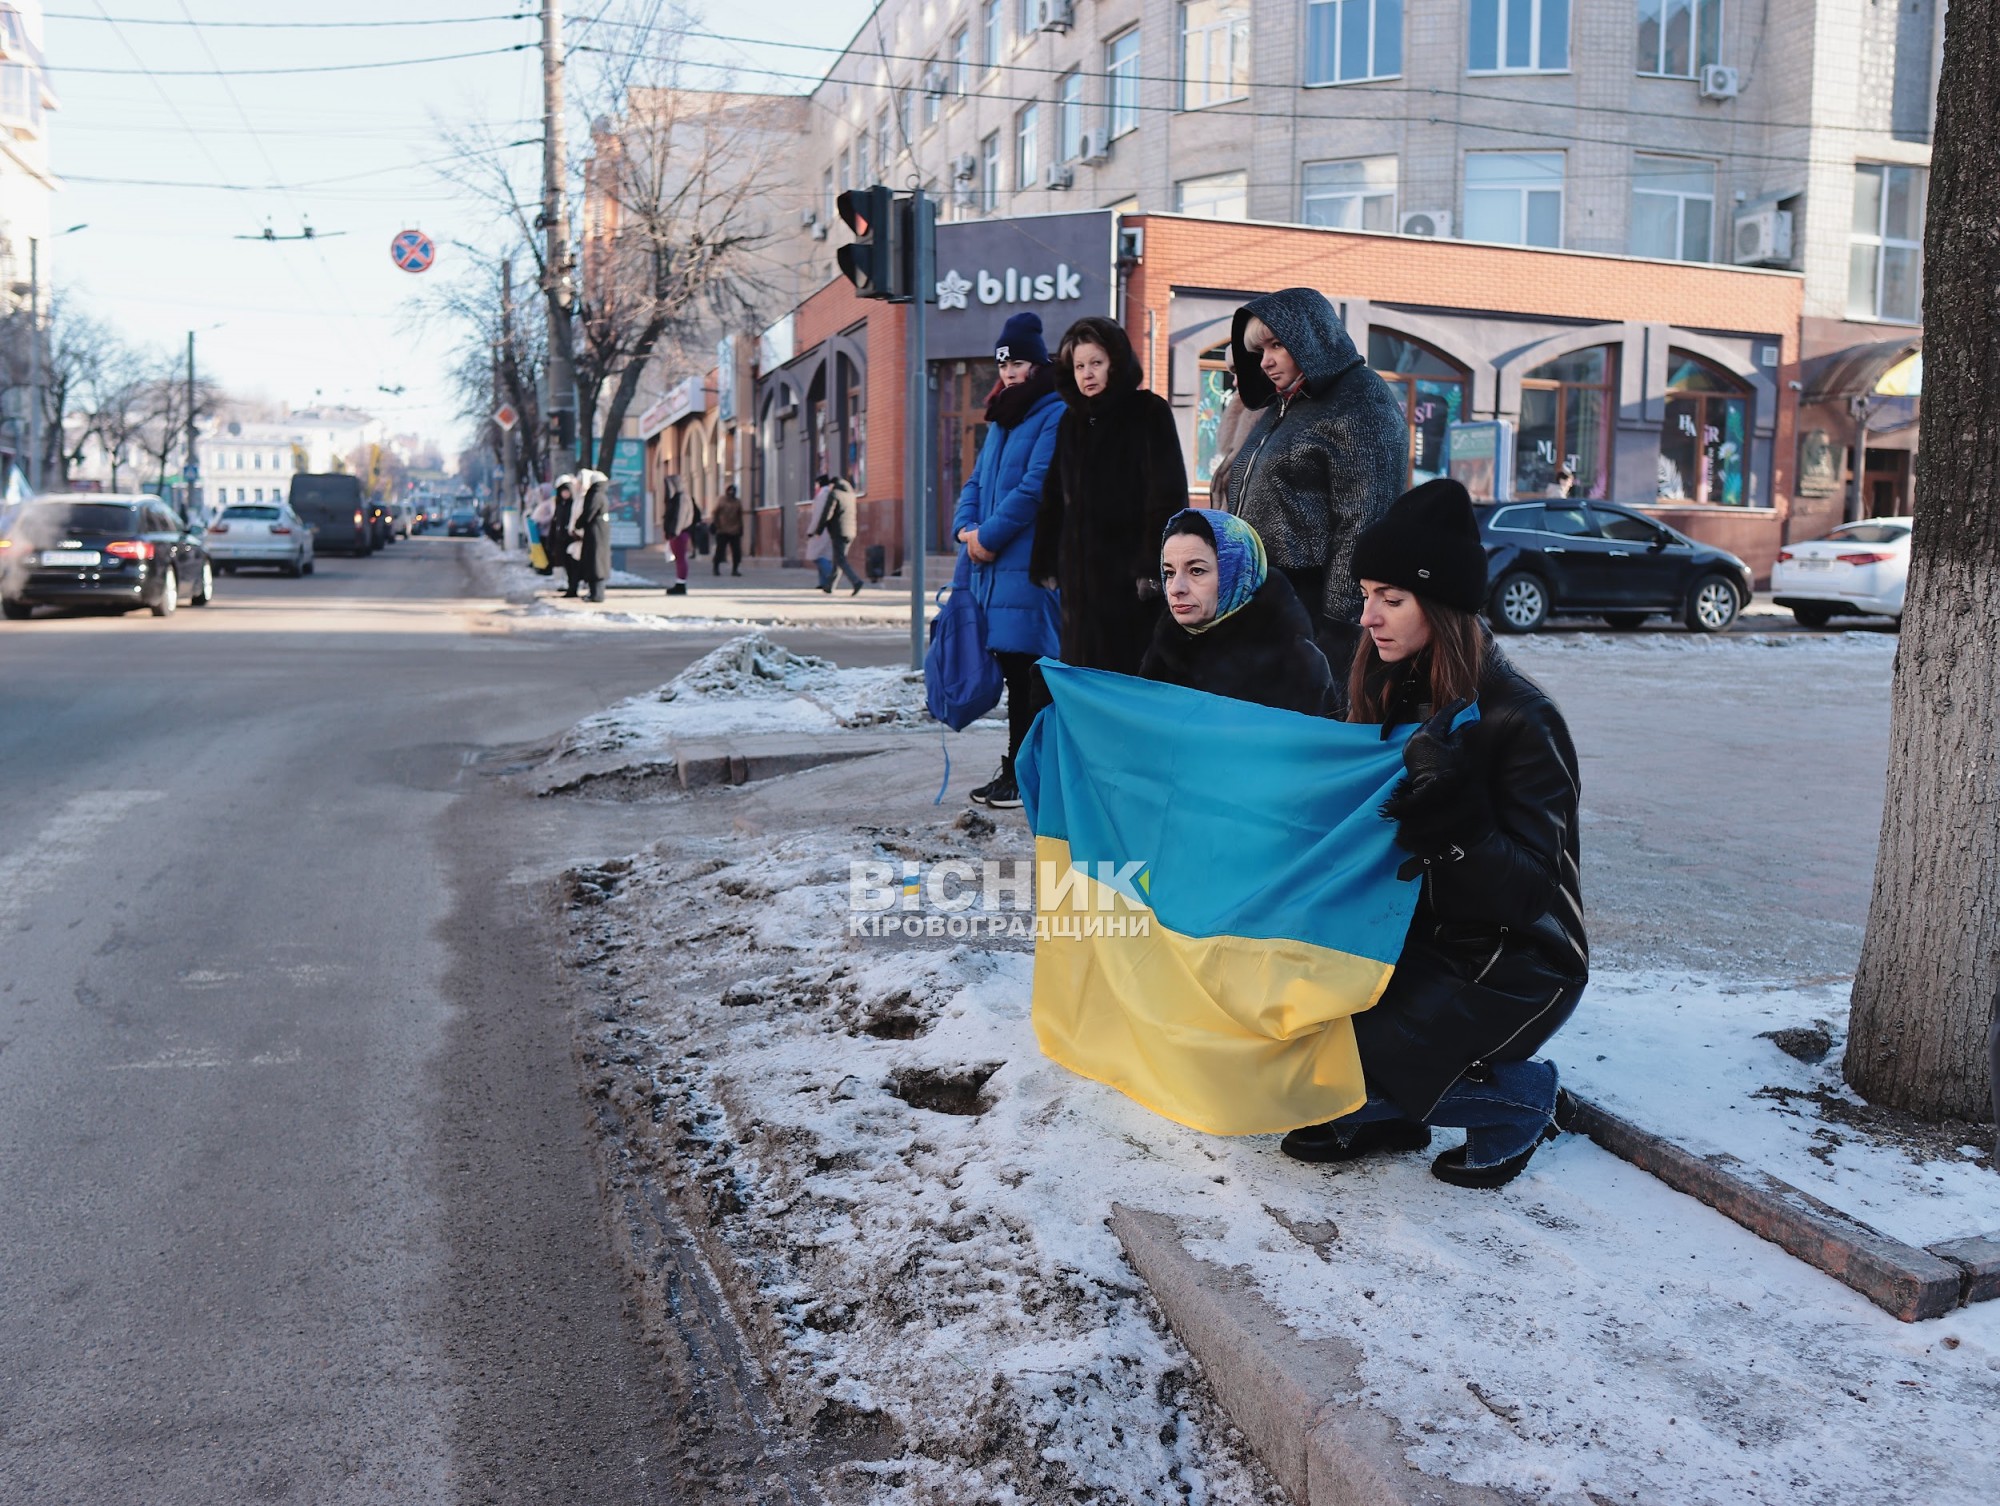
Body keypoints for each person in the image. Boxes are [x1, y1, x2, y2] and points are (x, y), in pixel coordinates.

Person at [1279, 478, 1587, 1188]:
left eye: (1391, 599)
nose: (1368, 618)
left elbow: (1531, 890)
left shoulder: (1523, 719)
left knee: (1342, 1064)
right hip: (1410, 940)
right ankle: (1390, 1106)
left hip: (1516, 963)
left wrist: (1449, 820)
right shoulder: (1390, 691)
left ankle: (1519, 1100)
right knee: (1289, 1035)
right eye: (1366, 596)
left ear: (1440, 604)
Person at [1224, 288, 1408, 681]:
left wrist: (1338, 633)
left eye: (1277, 345)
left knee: (1306, 727)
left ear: (1312, 335)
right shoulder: (1287, 403)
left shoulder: (1361, 399)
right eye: (1260, 352)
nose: (1266, 362)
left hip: (1311, 608)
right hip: (1269, 600)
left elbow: (1363, 522)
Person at [951, 311, 1065, 809]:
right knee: (1014, 673)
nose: (1009, 373)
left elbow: (1035, 486)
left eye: (1018, 362)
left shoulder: (1053, 411)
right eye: (1003, 364)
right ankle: (1018, 768)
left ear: (1037, 364)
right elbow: (976, 481)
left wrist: (988, 536)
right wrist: (964, 527)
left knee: (1028, 673)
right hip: (993, 566)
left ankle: (1023, 775)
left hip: (1026, 564)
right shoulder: (1001, 415)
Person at [1031, 314, 1188, 673]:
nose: (1087, 374)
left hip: (1129, 579)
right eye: (1079, 365)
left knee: (1129, 674)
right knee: (1082, 673)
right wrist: (1046, 560)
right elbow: (1054, 496)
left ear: (1115, 364)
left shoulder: (1148, 411)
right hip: (1079, 579)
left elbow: (1167, 495)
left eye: (1096, 363)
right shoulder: (1070, 422)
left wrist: (1153, 566)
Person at [1138, 509, 1332, 716]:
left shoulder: (1296, 662)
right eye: (1169, 572)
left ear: (1237, 572)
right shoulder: (1165, 647)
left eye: (1196, 571)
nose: (1176, 588)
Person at [811, 473, 864, 595]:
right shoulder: (850, 495)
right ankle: (829, 586)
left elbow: (827, 514)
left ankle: (856, 581)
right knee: (837, 559)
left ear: (833, 484)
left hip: (839, 531)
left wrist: (819, 531)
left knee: (840, 559)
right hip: (850, 531)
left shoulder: (834, 494)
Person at [573, 468, 613, 603]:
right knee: (595, 562)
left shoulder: (595, 495)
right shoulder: (600, 494)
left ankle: (596, 593)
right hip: (597, 532)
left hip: (595, 533)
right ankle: (595, 592)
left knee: (595, 562)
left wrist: (578, 524)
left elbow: (588, 513)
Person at [660, 476, 699, 596]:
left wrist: (673, 532)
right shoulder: (683, 497)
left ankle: (681, 584)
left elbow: (679, 516)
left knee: (680, 559)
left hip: (679, 533)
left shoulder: (681, 498)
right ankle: (680, 582)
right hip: (680, 532)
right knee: (679, 559)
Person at [547, 474, 581, 597]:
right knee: (564, 564)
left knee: (573, 565)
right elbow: (555, 522)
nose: (564, 494)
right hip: (560, 540)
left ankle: (573, 587)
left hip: (571, 539)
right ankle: (568, 586)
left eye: (567, 491)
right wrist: (551, 539)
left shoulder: (573, 505)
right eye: (562, 492)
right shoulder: (559, 505)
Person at [711, 483, 745, 576]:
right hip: (722, 530)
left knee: (736, 551)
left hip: (735, 530)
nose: (731, 492)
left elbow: (740, 516)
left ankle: (735, 569)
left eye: (733, 490)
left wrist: (741, 528)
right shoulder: (721, 500)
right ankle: (716, 568)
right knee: (720, 551)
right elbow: (715, 513)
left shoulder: (737, 502)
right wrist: (716, 524)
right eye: (730, 490)